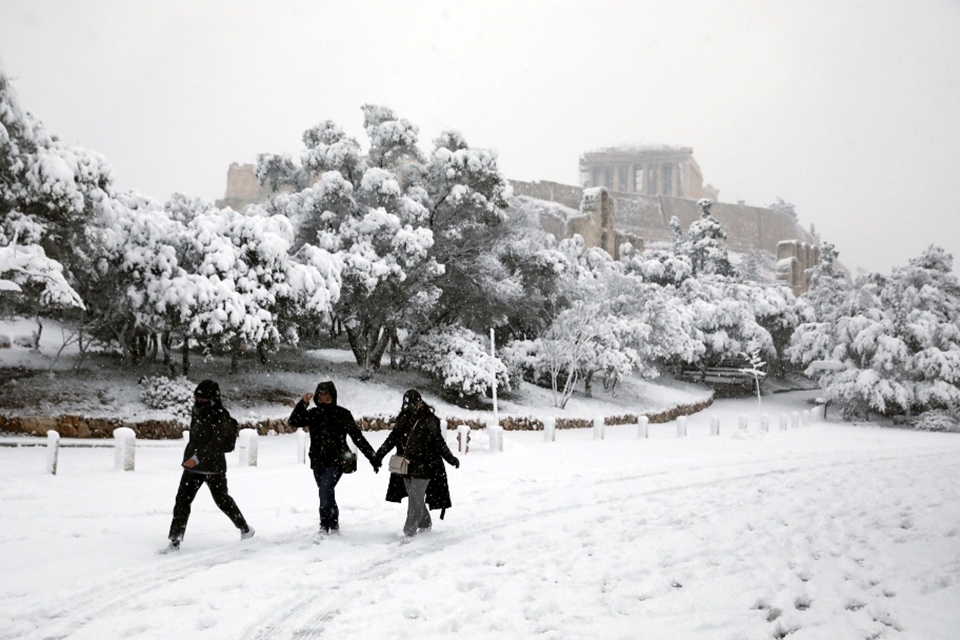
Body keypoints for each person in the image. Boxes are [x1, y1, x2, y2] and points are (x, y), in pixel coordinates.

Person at [160, 379, 253, 553]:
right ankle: (175, 540)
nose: (199, 401)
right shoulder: (197, 411)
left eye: (203, 398)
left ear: (213, 398)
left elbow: (215, 444)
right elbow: (196, 439)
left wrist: (196, 458)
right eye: (197, 397)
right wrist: (191, 458)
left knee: (222, 500)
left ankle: (245, 528)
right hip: (193, 467)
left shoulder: (221, 415)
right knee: (182, 501)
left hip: (213, 467)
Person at [288, 380, 379, 539]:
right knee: (327, 493)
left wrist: (373, 457)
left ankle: (325, 525)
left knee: (325, 490)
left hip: (337, 461)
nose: (323, 401)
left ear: (333, 397)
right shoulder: (314, 414)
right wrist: (303, 404)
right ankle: (334, 524)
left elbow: (357, 438)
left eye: (327, 398)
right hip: (317, 460)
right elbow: (294, 421)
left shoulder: (343, 414)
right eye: (320, 398)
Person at [374, 390, 459, 540]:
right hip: (406, 466)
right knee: (415, 497)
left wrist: (451, 458)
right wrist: (378, 455)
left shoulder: (430, 420)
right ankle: (425, 523)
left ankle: (409, 531)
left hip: (426, 466)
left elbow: (439, 444)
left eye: (412, 404)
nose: (409, 408)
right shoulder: (403, 418)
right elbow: (392, 439)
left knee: (414, 497)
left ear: (419, 403)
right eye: (406, 405)